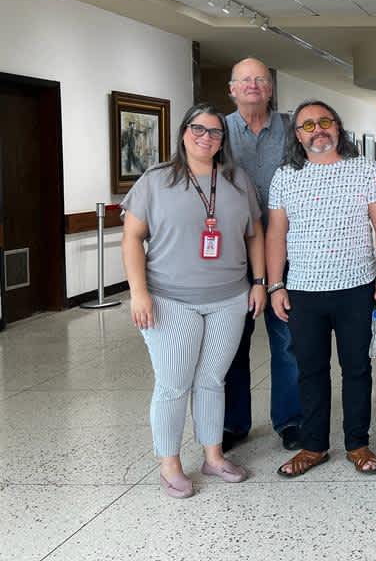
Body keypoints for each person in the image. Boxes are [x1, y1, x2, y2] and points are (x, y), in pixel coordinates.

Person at [122, 103, 266, 499]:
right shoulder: (156, 180)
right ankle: (169, 464)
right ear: (183, 133)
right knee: (173, 384)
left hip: (229, 298)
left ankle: (213, 456)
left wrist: (258, 283)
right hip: (170, 300)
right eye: (198, 129)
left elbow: (254, 234)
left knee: (212, 380)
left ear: (223, 140)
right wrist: (138, 292)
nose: (206, 137)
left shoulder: (237, 180)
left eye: (215, 132)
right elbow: (132, 237)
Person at [268, 100, 376, 478]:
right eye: (307, 125)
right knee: (310, 371)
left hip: (357, 288)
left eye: (325, 121)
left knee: (356, 369)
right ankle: (313, 446)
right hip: (303, 291)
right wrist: (275, 285)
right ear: (297, 135)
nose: (317, 129)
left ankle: (357, 443)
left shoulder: (365, 170)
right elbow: (276, 234)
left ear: (337, 127)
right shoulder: (284, 177)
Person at [222, 58, 303, 452]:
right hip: (232, 255)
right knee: (231, 341)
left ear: (270, 89)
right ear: (232, 89)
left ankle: (291, 420)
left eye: (260, 80)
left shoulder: (291, 130)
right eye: (245, 80)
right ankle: (233, 423)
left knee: (287, 339)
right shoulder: (215, 131)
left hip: (287, 250)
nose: (253, 85)